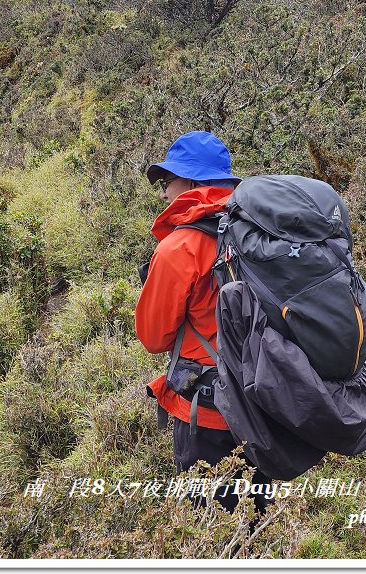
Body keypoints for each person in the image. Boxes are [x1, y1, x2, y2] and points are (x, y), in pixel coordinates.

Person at [135, 131, 272, 513]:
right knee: (258, 522)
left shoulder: (179, 247)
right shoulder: (258, 230)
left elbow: (153, 336)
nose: (163, 194)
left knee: (211, 528)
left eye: (167, 183)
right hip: (265, 401)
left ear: (193, 183)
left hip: (207, 414)